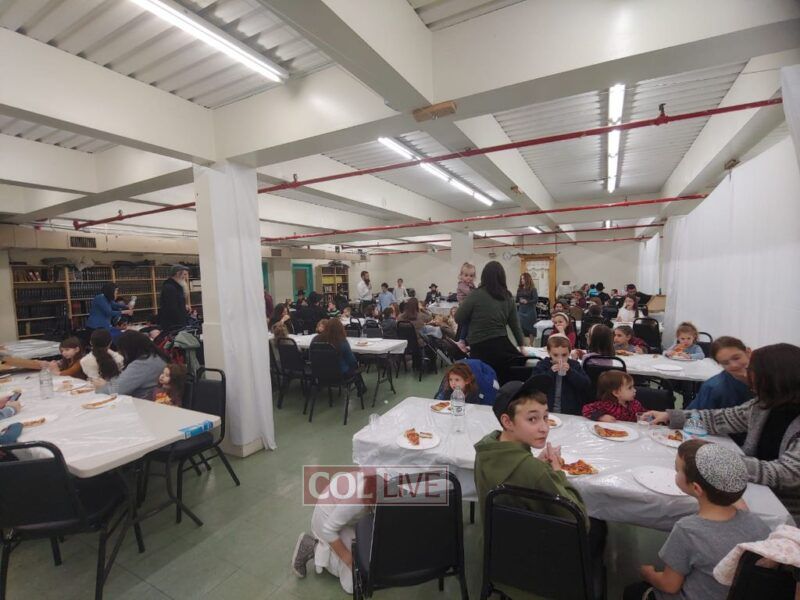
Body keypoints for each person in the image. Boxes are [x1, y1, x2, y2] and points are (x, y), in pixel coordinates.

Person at [644, 343, 800, 521]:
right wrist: (671, 416)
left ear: (776, 379)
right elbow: (722, 418)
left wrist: (718, 459)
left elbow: (786, 475)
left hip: (784, 510)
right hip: (750, 486)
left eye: (754, 373)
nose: (749, 378)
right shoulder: (764, 404)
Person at [474, 376, 606, 573]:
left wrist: (535, 464)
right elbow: (578, 521)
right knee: (598, 527)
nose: (544, 428)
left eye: (545, 417)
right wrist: (557, 472)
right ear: (507, 421)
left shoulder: (486, 448)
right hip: (533, 563)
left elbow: (517, 476)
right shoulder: (537, 473)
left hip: (495, 548)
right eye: (532, 419)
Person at [623, 440, 770, 600]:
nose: (675, 473)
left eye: (677, 470)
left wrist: (648, 574)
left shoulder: (687, 530)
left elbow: (669, 585)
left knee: (633, 591)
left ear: (696, 488)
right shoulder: (758, 525)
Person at [291, 472, 376, 593]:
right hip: (327, 523)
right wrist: (351, 563)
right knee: (353, 584)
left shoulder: (384, 483)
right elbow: (328, 530)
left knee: (367, 556)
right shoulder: (356, 500)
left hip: (350, 518)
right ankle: (311, 547)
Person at [455, 261, 525, 385]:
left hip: (479, 346)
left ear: (483, 276)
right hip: (501, 345)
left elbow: (458, 318)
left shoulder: (475, 294)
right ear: (502, 277)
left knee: (483, 380)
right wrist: (522, 346)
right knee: (518, 367)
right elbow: (515, 325)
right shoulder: (508, 297)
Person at [96, 331, 169, 400]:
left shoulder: (142, 364)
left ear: (129, 349)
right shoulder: (155, 356)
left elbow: (119, 390)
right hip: (153, 399)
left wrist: (103, 386)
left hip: (142, 402)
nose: (121, 354)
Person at [688, 337, 754, 410]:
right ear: (719, 364)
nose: (734, 365)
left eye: (736, 358)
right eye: (725, 363)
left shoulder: (763, 376)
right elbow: (693, 415)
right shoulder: (713, 388)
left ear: (748, 352)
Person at [531, 335, 590, 415]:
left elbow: (585, 385)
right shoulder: (543, 365)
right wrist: (550, 372)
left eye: (564, 355)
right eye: (555, 355)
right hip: (546, 410)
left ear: (569, 353)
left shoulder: (574, 365)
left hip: (570, 412)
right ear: (549, 352)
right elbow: (534, 386)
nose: (560, 359)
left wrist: (570, 372)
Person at [312, 319, 367, 395]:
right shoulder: (342, 341)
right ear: (341, 329)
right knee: (354, 364)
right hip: (339, 375)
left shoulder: (316, 339)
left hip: (320, 374)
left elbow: (311, 356)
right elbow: (352, 361)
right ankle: (360, 388)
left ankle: (361, 388)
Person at [158, 265, 189, 332]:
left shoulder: (177, 286)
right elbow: (172, 308)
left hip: (179, 323)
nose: (186, 277)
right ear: (177, 273)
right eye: (184, 274)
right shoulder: (169, 287)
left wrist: (183, 306)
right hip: (173, 325)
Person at [516, 272, 538, 346]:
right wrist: (519, 301)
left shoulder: (533, 289)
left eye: (523, 278)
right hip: (521, 311)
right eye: (521, 278)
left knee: (531, 328)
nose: (522, 280)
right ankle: (523, 344)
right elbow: (516, 300)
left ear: (527, 279)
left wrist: (527, 301)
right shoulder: (519, 289)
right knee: (521, 327)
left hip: (530, 311)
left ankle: (531, 344)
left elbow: (535, 300)